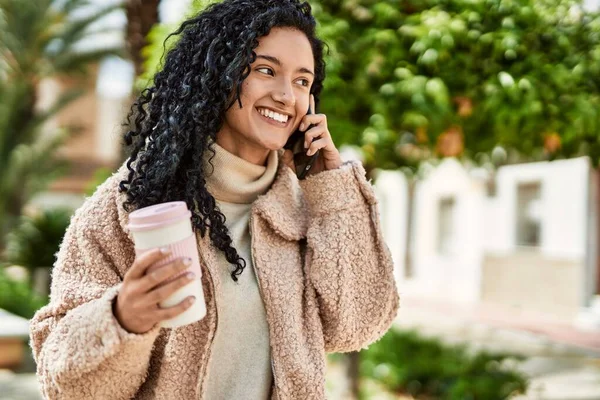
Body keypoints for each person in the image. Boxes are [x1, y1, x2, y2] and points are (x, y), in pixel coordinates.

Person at [29, 0, 400, 399]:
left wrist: (331, 189)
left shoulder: (310, 207)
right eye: (265, 70)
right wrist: (122, 318)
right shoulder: (130, 205)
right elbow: (67, 384)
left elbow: (359, 324)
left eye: (302, 81)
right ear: (217, 75)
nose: (286, 96)